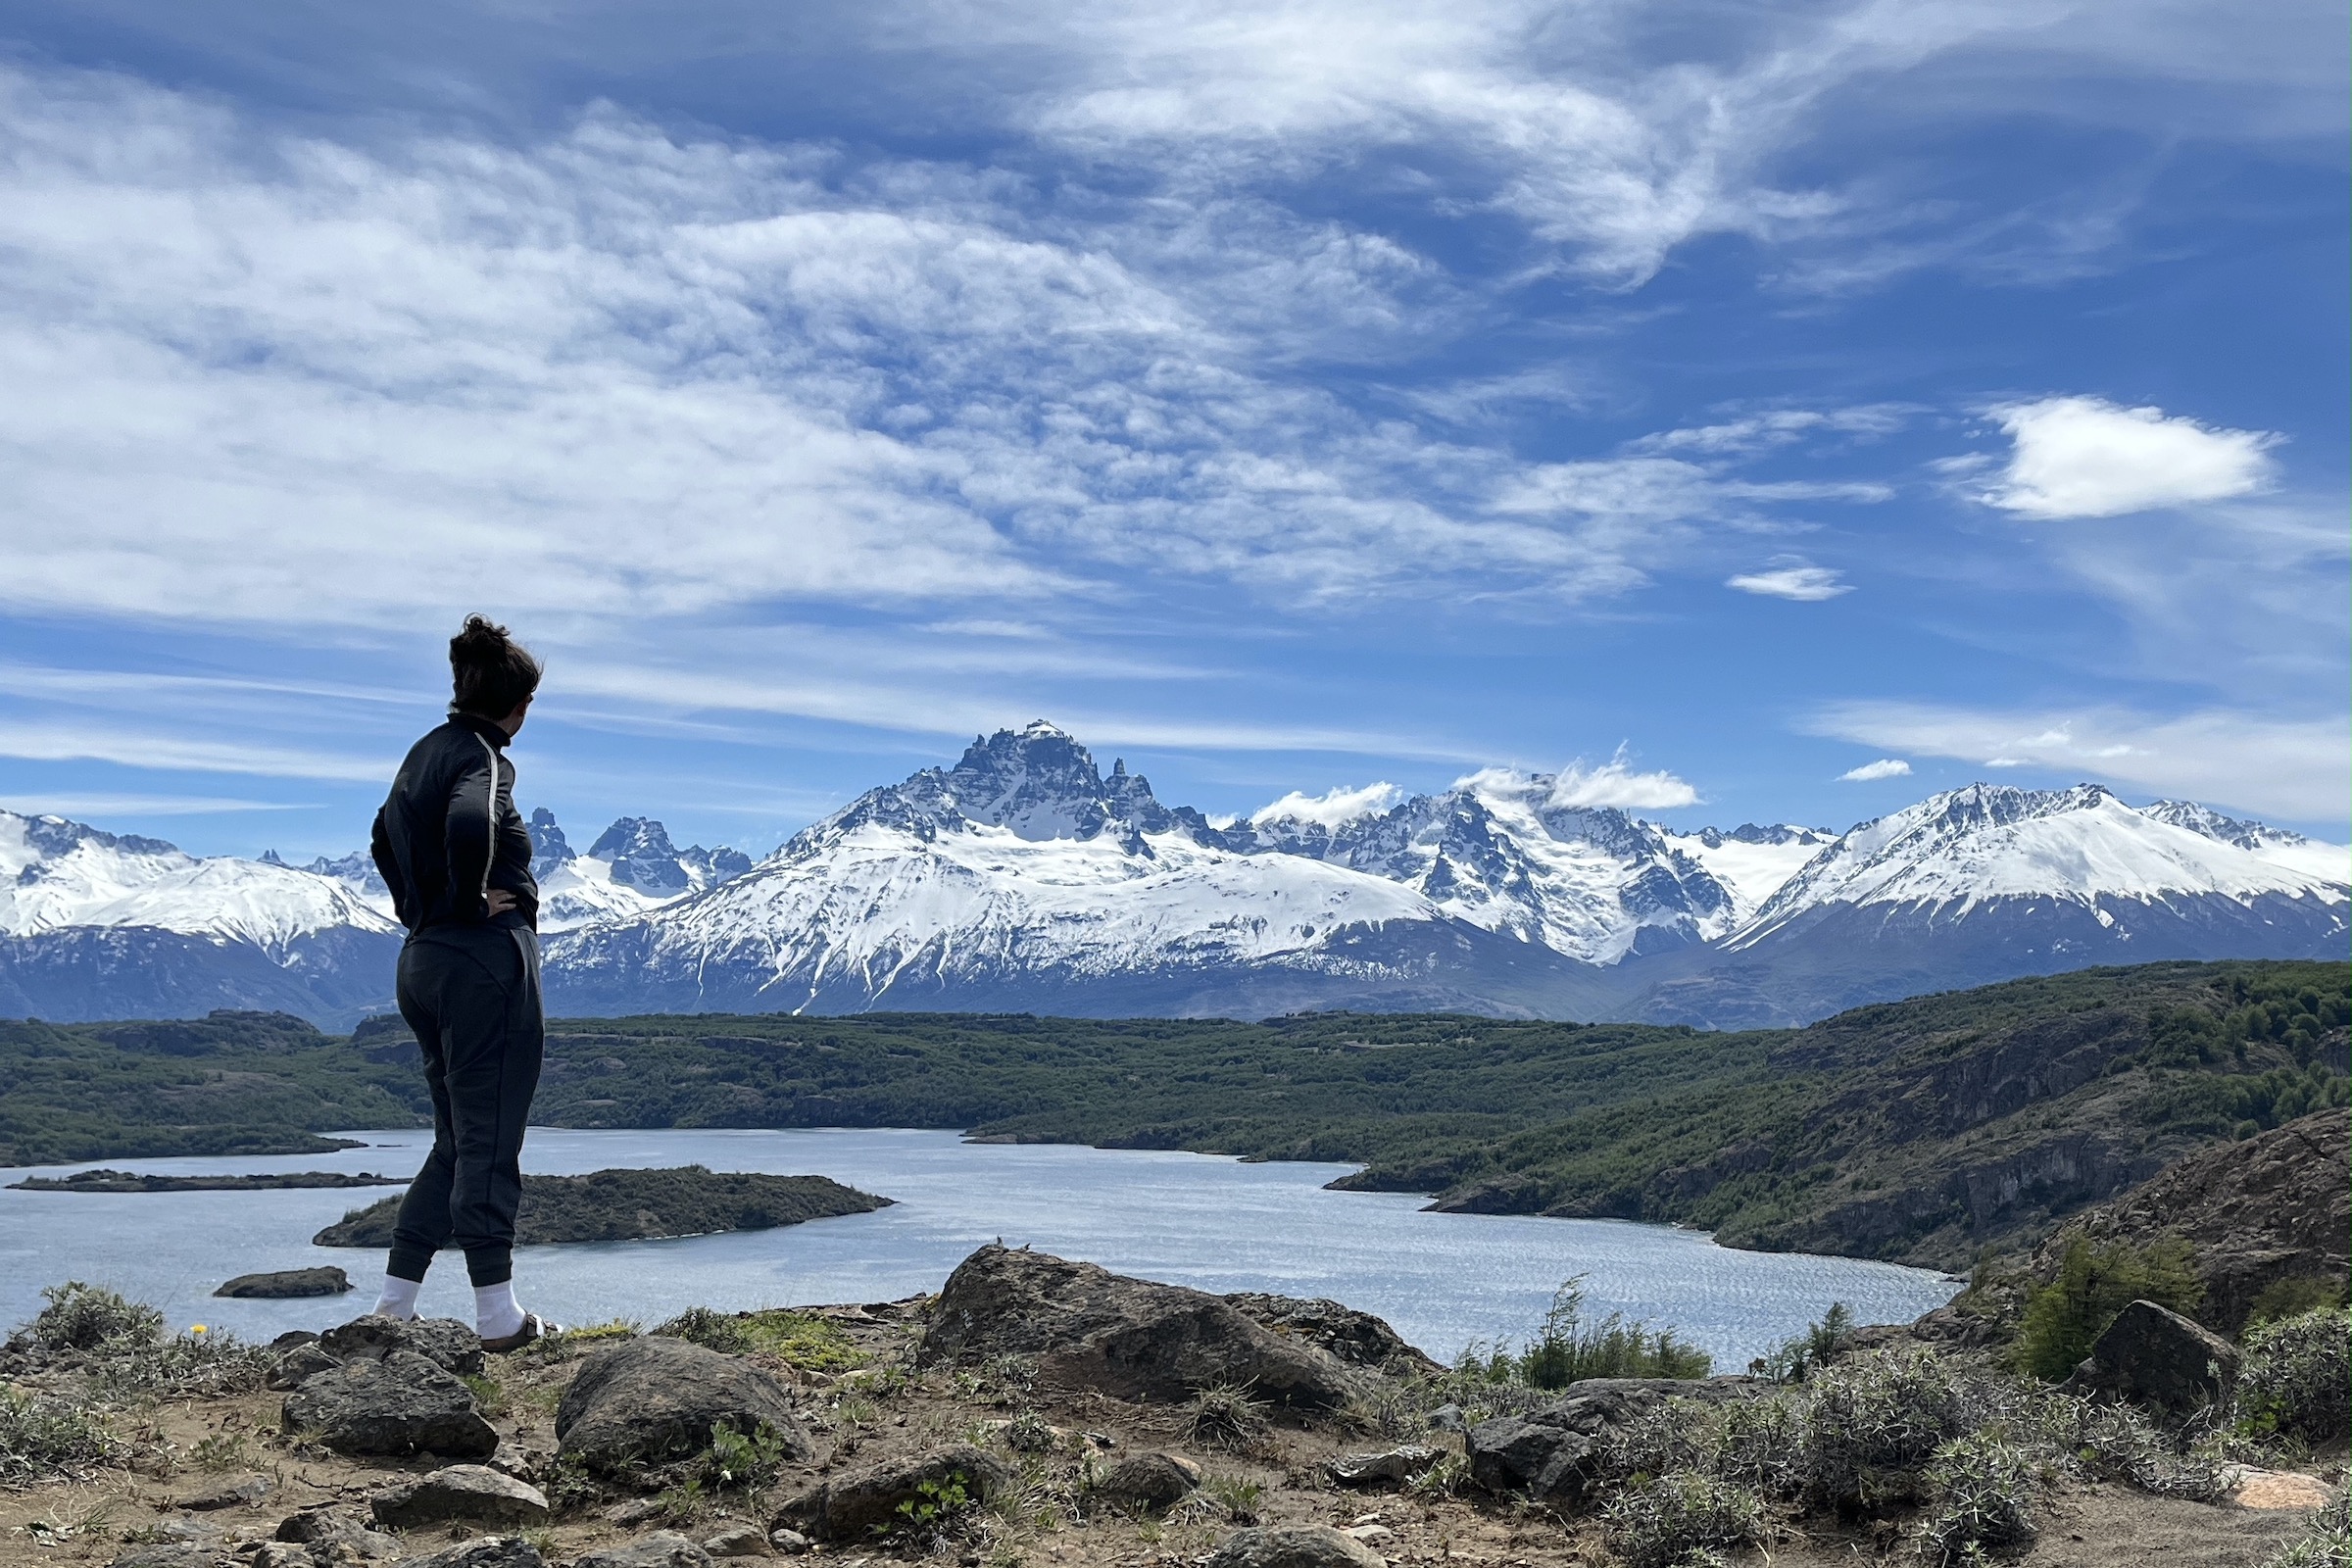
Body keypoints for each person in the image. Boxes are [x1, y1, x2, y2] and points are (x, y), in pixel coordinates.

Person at [366, 615, 559, 1349]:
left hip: (421, 961)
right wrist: (469, 901)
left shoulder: (423, 751)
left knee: (454, 1140)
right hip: (483, 964)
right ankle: (498, 1318)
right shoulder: (483, 757)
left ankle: (393, 1306)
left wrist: (421, 910)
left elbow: (382, 836)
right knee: (492, 1138)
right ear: (520, 706)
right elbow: (471, 822)